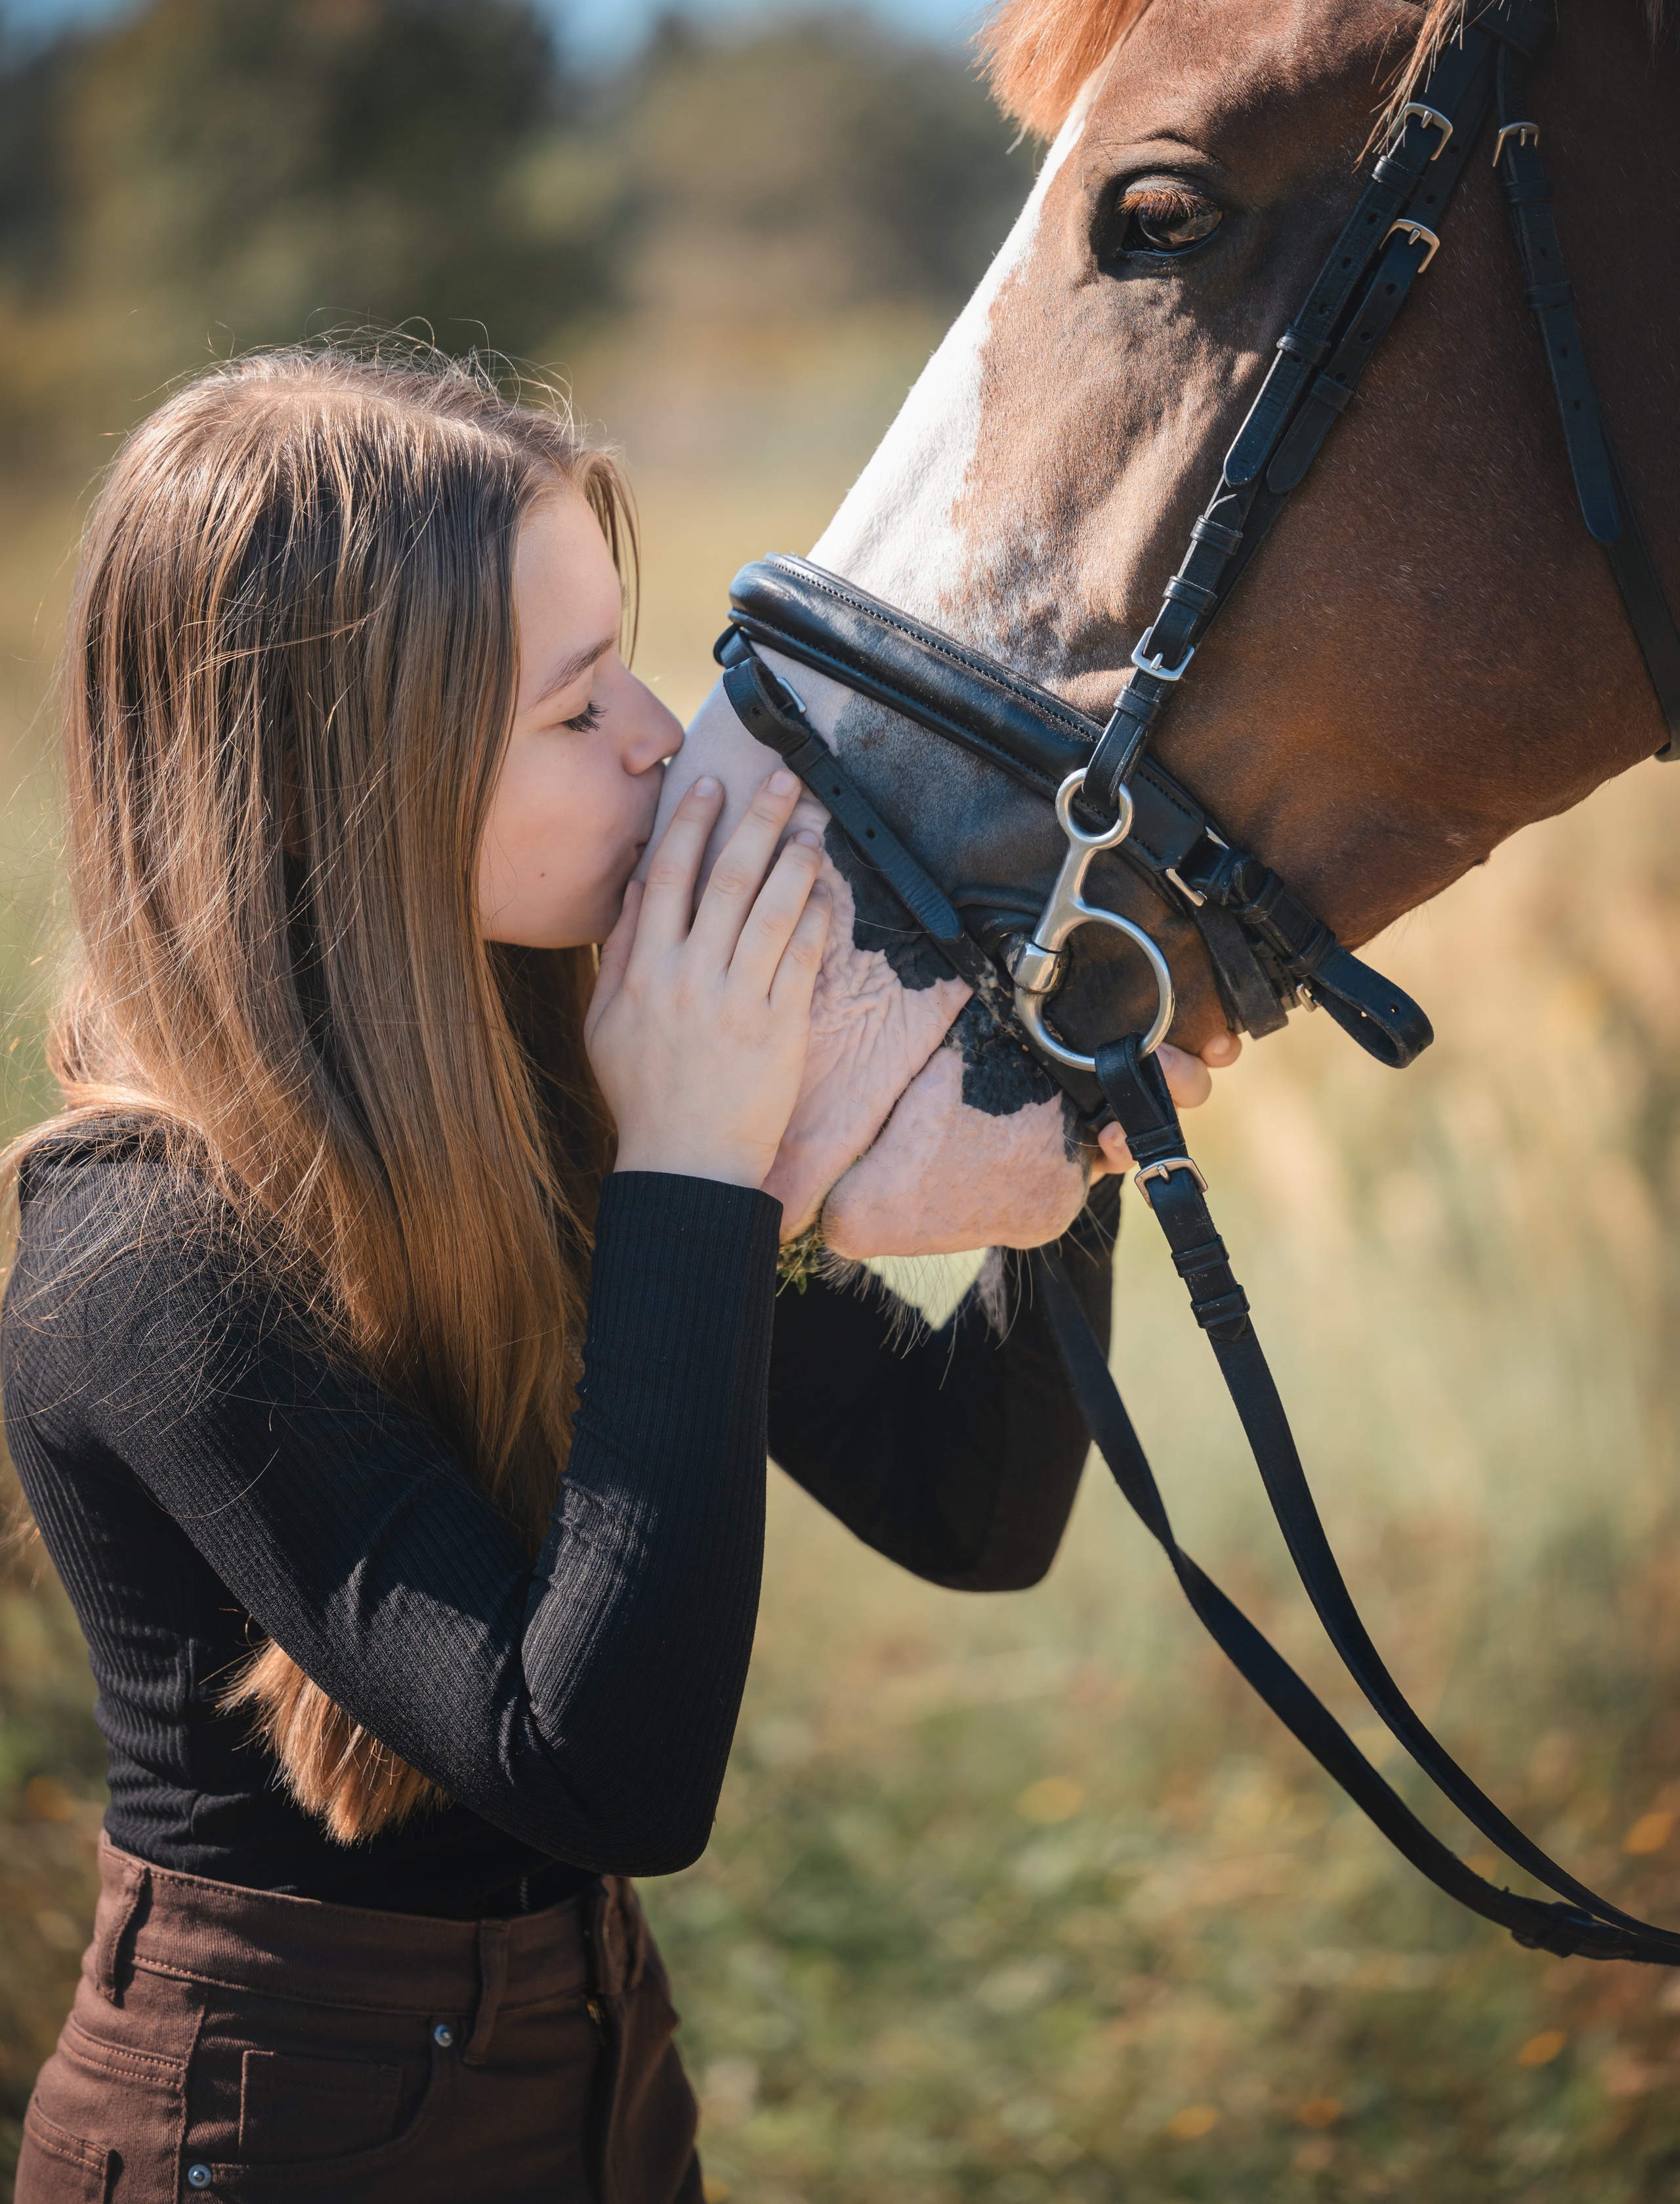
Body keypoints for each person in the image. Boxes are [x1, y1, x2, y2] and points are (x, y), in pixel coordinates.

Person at [0, 345, 1221, 2202]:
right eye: (577, 709)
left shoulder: (552, 1106)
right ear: (348, 790)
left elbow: (966, 1501)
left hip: (600, 2086)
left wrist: (1067, 1127)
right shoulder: (142, 1252)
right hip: (264, 2134)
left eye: (628, 667)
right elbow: (606, 1775)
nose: (664, 737)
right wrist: (695, 1168)